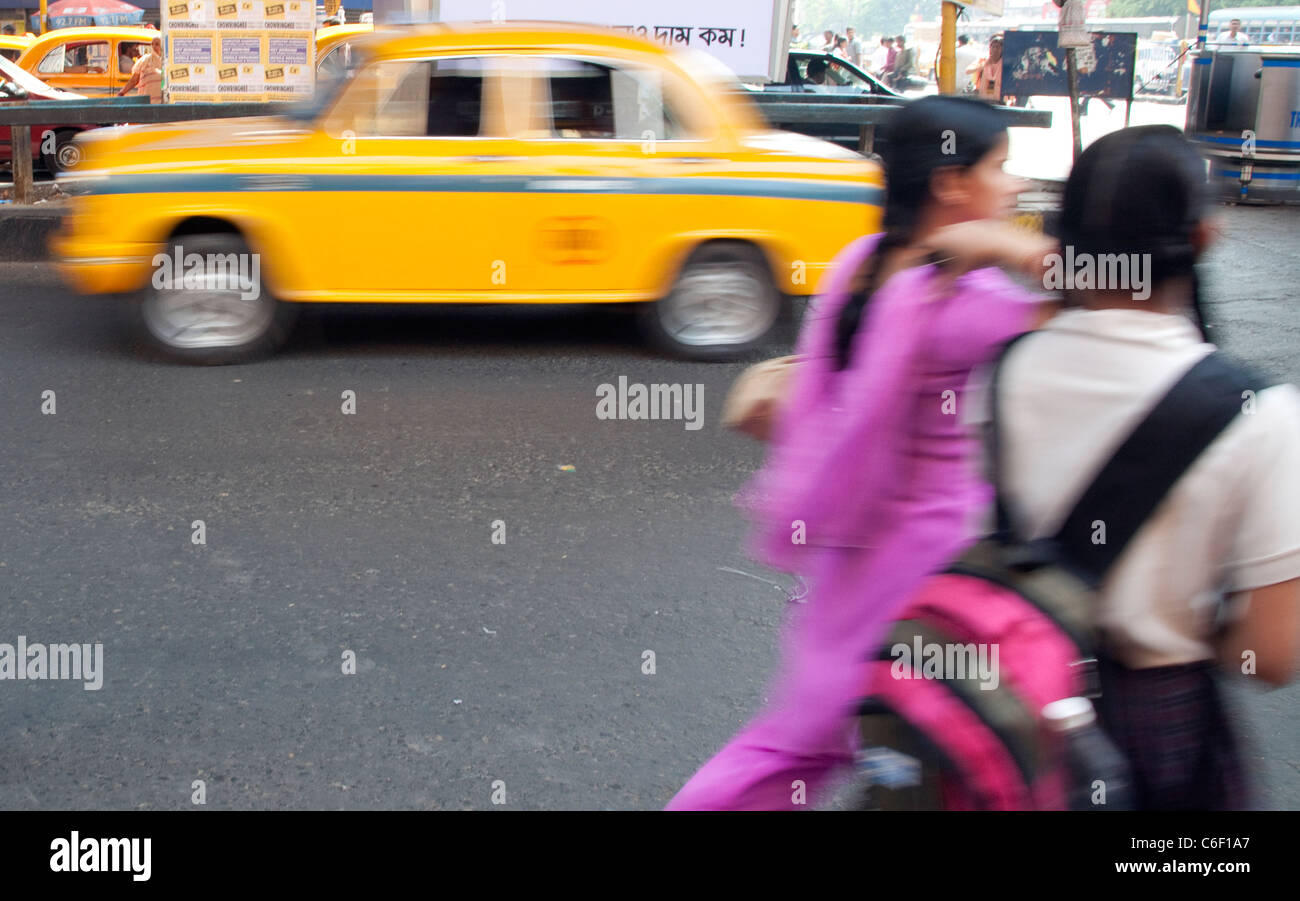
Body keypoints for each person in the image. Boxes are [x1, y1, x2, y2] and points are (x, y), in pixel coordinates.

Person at [665, 96, 1057, 810]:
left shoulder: (860, 262)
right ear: (951, 184)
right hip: (935, 575)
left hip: (849, 559)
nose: (1016, 185)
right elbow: (1110, 299)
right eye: (1001, 168)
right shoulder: (968, 302)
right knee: (944, 754)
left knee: (797, 743)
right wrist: (1014, 247)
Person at [964, 126, 1300, 809]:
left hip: (1017, 710)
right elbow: (1271, 654)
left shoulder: (1001, 372)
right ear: (1202, 239)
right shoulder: (1259, 412)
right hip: (1160, 732)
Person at [118, 35, 163, 103]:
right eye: (152, 44)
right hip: (146, 101)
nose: (154, 46)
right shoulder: (144, 60)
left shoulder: (167, 61)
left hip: (162, 102)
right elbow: (134, 80)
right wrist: (122, 92)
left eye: (157, 44)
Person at [975, 35, 1003, 101]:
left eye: (998, 47)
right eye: (993, 47)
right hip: (985, 98)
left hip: (1000, 99)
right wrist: (983, 65)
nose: (995, 49)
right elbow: (968, 71)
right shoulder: (984, 60)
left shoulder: (1005, 64)